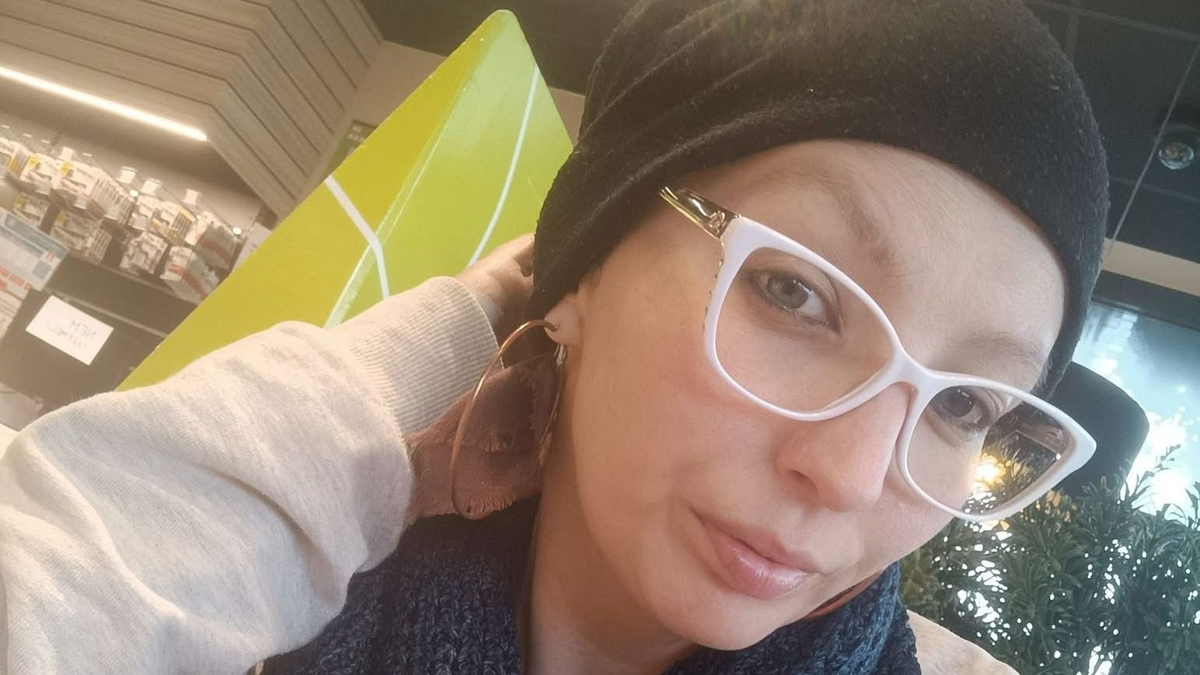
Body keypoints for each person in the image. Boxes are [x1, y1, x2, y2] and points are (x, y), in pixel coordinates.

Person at [0, 1, 1110, 674]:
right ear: (583, 267)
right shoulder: (279, 574)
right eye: (793, 291)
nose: (853, 472)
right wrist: (425, 362)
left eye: (963, 402)